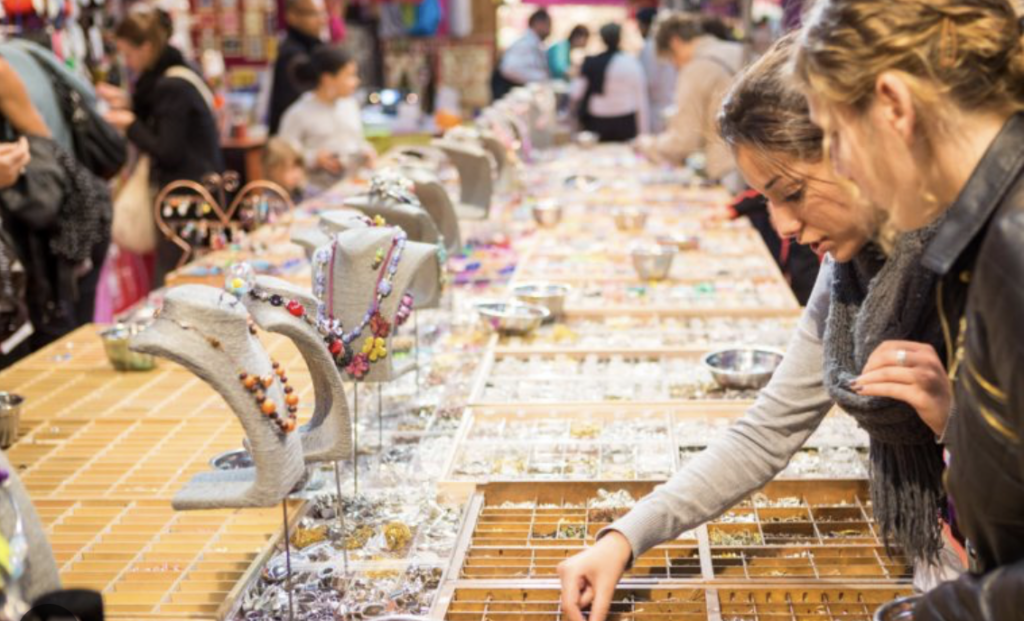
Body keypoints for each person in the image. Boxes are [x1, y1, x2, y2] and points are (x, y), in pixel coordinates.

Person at [557, 36, 960, 621]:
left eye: (792, 192)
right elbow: (766, 430)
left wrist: (957, 423)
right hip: (941, 566)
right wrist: (623, 537)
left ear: (863, 149)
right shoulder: (849, 269)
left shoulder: (984, 259)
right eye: (769, 199)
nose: (786, 226)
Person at [793, 0, 1024, 617]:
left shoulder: (1014, 236)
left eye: (836, 137)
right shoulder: (986, 227)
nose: (840, 168)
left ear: (893, 105)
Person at [102, 7, 224, 285]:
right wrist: (130, 105)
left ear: (146, 47)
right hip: (197, 194)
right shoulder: (175, 76)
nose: (127, 61)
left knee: (177, 278)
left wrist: (130, 124)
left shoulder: (171, 86)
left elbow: (168, 149)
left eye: (129, 54)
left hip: (186, 200)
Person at [638, 12, 744, 187]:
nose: (675, 66)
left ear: (675, 42)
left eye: (671, 59)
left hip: (730, 169)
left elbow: (684, 140)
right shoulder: (738, 50)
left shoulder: (697, 67)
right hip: (760, 165)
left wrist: (648, 145)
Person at [278, 46, 374, 194]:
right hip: (314, 194)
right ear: (328, 79)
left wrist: (367, 151)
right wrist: (314, 159)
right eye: (350, 76)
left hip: (352, 186)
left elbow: (357, 140)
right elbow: (283, 158)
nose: (356, 81)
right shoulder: (298, 113)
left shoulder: (350, 104)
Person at [571, 23, 649, 142]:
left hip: (597, 122)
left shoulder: (591, 62)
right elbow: (641, 99)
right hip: (625, 122)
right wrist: (644, 133)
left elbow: (575, 93)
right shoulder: (631, 63)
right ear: (620, 39)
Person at [268, 0, 326, 135]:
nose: (322, 20)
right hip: (295, 143)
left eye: (323, 13)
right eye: (313, 14)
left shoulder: (314, 47)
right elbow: (302, 104)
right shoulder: (292, 55)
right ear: (292, 17)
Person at [494, 9, 552, 99]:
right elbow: (508, 69)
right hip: (510, 95)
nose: (550, 29)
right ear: (538, 24)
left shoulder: (533, 43)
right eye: (548, 25)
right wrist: (539, 77)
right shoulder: (525, 44)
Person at [637, 8, 677, 134]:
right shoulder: (659, 46)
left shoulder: (650, 47)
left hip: (658, 108)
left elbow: (647, 81)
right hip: (668, 105)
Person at [262, 137, 306, 202]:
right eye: (289, 169)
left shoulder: (300, 189)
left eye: (298, 167)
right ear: (272, 171)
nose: (296, 174)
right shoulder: (269, 200)